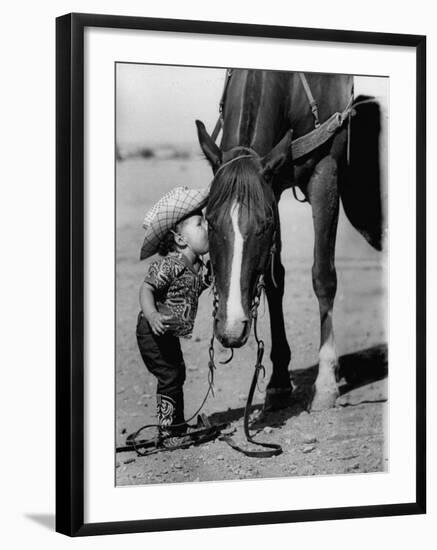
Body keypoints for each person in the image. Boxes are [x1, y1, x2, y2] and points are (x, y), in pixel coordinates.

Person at [136, 186, 210, 448]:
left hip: (167, 332)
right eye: (200, 224)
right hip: (152, 329)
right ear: (181, 240)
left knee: (176, 373)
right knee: (169, 376)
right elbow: (147, 289)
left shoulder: (199, 268)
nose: (207, 228)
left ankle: (175, 426)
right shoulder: (171, 264)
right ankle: (168, 433)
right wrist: (153, 314)